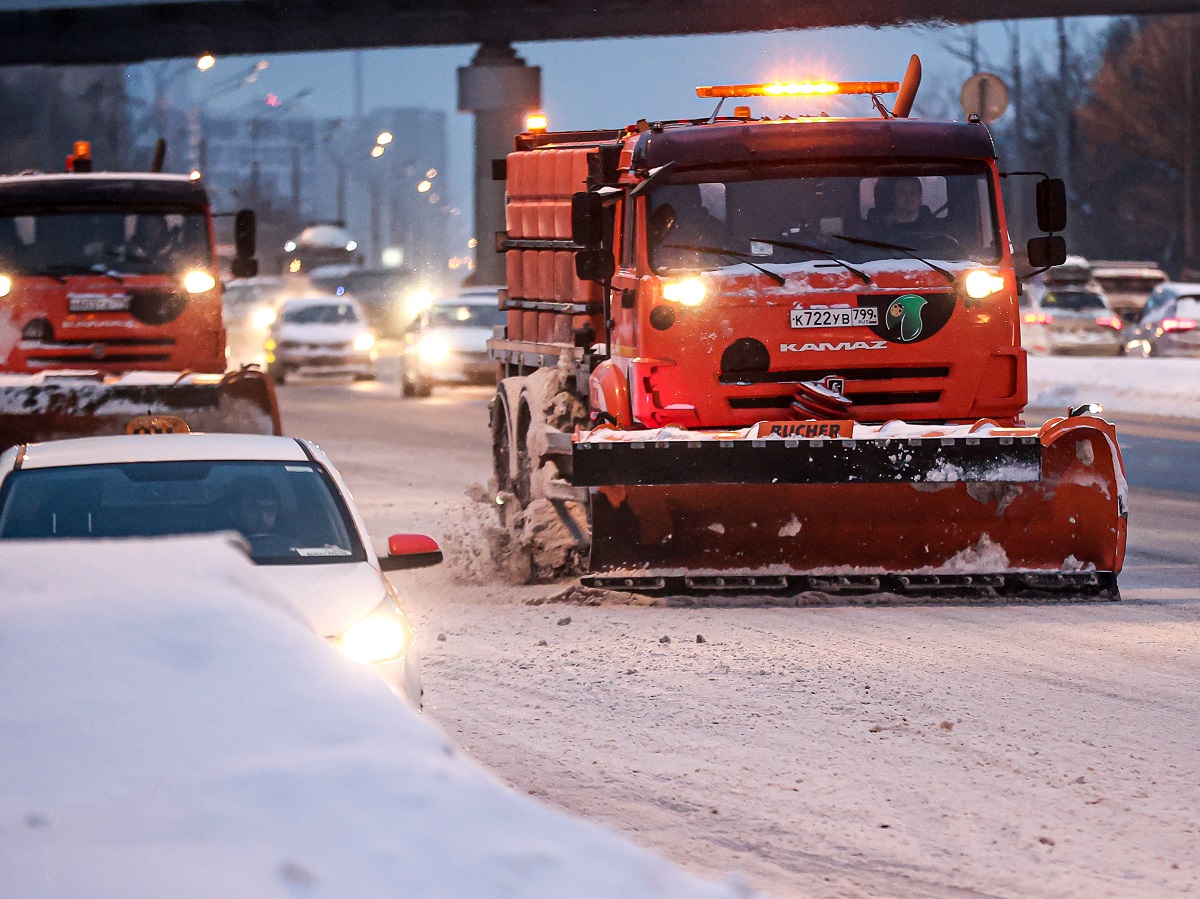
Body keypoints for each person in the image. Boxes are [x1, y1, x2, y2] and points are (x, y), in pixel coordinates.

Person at [228, 477, 289, 557]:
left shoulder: (290, 549)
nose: (263, 519)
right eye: (254, 510)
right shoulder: (220, 551)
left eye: (270, 510)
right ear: (234, 512)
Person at [869, 176, 938, 238]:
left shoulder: (934, 227)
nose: (909, 196)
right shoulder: (879, 228)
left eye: (914, 191)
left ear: (920, 197)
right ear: (893, 197)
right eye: (902, 191)